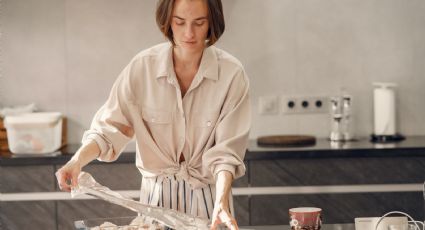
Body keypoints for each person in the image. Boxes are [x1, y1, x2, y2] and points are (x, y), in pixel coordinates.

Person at [55, 0, 251, 229]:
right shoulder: (142, 68)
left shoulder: (232, 74)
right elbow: (109, 130)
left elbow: (226, 155)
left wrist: (221, 202)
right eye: (180, 22)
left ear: (212, 23)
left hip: (210, 200)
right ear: (168, 21)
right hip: (154, 202)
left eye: (199, 22)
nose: (189, 33)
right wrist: (76, 161)